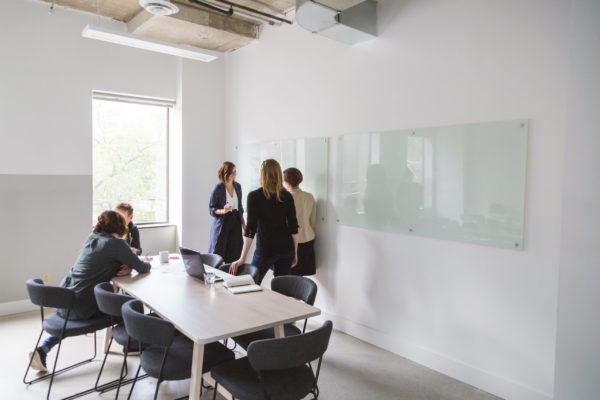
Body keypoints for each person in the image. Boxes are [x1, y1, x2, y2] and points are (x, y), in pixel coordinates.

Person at [28, 210, 151, 372]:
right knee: (126, 307)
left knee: (109, 301)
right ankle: (134, 344)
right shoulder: (116, 244)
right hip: (83, 307)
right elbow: (142, 268)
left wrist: (122, 266)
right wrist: (142, 262)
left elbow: (97, 266)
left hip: (65, 301)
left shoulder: (91, 238)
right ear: (120, 226)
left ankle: (43, 348)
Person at [230, 159, 299, 284]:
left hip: (265, 249)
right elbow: (293, 227)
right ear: (278, 174)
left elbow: (250, 230)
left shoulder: (254, 196)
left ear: (262, 174)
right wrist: (295, 252)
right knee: (282, 291)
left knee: (251, 285)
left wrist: (242, 258)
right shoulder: (287, 196)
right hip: (285, 249)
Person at [208, 162, 245, 263]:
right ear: (226, 173)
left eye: (235, 171)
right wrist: (223, 211)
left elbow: (240, 208)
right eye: (232, 172)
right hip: (222, 224)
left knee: (235, 254)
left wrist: (244, 225)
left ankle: (231, 278)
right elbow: (211, 209)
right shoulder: (218, 188)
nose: (235, 174)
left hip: (236, 223)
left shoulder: (238, 186)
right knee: (218, 255)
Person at [283, 167, 317, 276]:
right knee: (301, 275)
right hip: (308, 238)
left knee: (289, 276)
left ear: (287, 182)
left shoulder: (285, 198)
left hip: (291, 241)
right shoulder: (309, 196)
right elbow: (313, 220)